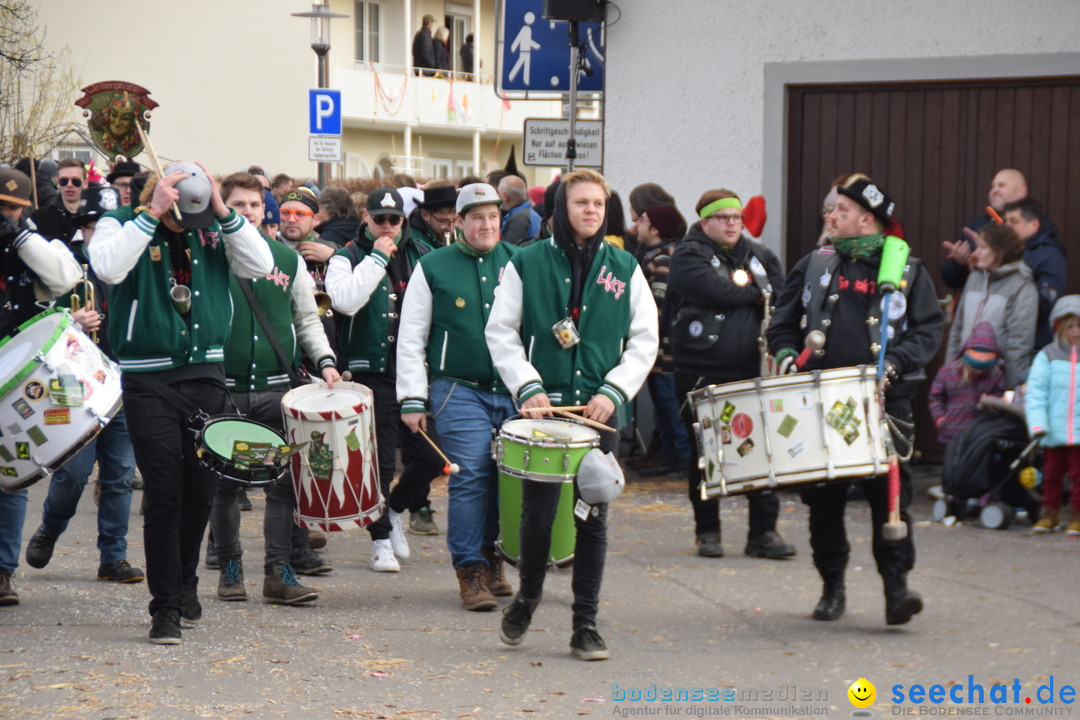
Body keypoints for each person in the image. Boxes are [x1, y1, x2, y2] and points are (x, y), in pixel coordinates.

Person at [88, 162, 274, 644]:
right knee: (165, 493)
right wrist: (151, 216)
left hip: (207, 375)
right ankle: (164, 606)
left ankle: (187, 580)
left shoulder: (212, 228)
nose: (186, 225)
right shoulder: (124, 222)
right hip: (149, 377)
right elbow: (107, 267)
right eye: (178, 214)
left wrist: (222, 212)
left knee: (200, 493)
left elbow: (259, 265)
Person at [486, 169, 659, 661]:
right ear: (562, 207)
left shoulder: (625, 267)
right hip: (545, 413)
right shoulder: (527, 262)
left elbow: (645, 340)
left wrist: (615, 390)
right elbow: (502, 330)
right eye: (581, 202)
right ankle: (527, 598)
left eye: (598, 204)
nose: (591, 211)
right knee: (538, 516)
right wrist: (528, 385)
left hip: (598, 414)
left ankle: (586, 624)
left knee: (593, 517)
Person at [767, 176, 944, 625]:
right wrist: (787, 355)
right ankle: (832, 588)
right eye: (832, 211)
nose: (831, 217)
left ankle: (896, 589)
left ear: (868, 220)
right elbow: (781, 326)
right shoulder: (813, 264)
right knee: (823, 502)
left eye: (841, 212)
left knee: (889, 499)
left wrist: (894, 364)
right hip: (820, 403)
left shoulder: (908, 269)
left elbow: (927, 331)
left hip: (885, 403)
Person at [207, 172, 340, 604]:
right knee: (226, 486)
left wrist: (325, 363)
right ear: (223, 206)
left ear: (265, 209)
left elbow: (305, 318)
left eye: (254, 205)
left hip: (278, 388)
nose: (247, 212)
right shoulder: (209, 255)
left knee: (283, 485)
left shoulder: (287, 258)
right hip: (225, 390)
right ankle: (230, 567)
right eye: (238, 204)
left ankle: (278, 572)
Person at [397, 183, 519, 610]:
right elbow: (411, 337)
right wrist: (412, 398)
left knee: (508, 479)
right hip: (457, 387)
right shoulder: (433, 267)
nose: (486, 225)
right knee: (470, 476)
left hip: (513, 389)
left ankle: (494, 556)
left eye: (493, 217)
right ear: (459, 222)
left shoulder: (519, 263)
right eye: (476, 217)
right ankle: (469, 570)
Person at [24, 186, 144, 585]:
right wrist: (70, 323)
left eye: (104, 226)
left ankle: (114, 555)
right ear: (82, 231)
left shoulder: (134, 267)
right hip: (76, 389)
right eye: (91, 227)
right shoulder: (64, 267)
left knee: (120, 475)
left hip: (123, 383)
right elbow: (35, 322)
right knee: (72, 474)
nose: (97, 233)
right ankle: (50, 529)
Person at [667, 189, 796, 560]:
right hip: (699, 371)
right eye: (722, 218)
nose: (731, 223)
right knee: (705, 452)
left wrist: (754, 291)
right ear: (705, 222)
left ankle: (763, 535)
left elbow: (781, 295)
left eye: (736, 217)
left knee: (762, 449)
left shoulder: (759, 255)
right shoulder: (689, 254)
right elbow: (713, 289)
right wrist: (756, 293)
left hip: (750, 369)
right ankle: (708, 532)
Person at [324, 187, 444, 572]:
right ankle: (379, 541)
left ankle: (393, 510)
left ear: (404, 220)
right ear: (365, 216)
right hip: (369, 371)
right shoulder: (348, 256)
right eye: (380, 219)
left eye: (394, 220)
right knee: (380, 463)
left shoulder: (424, 255)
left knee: (431, 457)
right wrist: (378, 255)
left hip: (415, 372)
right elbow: (346, 300)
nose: (388, 226)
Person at [0, 167, 82, 606]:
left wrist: (20, 235)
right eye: (1, 207)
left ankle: (2, 570)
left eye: (14, 208)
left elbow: (64, 278)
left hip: (13, 365)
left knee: (9, 471)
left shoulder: (29, 241)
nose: (7, 214)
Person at [633, 203, 690, 476]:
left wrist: (641, 331)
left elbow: (659, 305)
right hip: (655, 349)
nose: (637, 225)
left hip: (665, 349)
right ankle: (668, 455)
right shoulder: (652, 255)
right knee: (660, 403)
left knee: (670, 403)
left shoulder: (665, 258)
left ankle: (683, 457)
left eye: (642, 220)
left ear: (655, 229)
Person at [946, 223, 1038, 390]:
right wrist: (948, 372)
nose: (976, 252)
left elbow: (1019, 344)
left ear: (1000, 252)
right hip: (962, 376)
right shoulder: (974, 278)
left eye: (983, 247)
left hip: (995, 381)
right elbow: (957, 330)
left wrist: (1012, 389)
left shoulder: (1022, 287)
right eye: (977, 246)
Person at [1026, 296, 1080, 536]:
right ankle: (1049, 514)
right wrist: (1038, 424)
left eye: (1079, 326)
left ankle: (1077, 516)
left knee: (1079, 476)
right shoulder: (1047, 355)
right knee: (1051, 475)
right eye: (1071, 326)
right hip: (1054, 431)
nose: (1075, 332)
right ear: (1060, 327)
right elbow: (1036, 392)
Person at [940, 168, 1029, 291]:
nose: (994, 191)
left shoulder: (1034, 227)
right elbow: (950, 279)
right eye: (992, 187)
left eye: (1001, 185)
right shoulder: (976, 227)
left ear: (1021, 191)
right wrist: (958, 263)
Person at [1002, 198, 1067, 350]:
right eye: (1006, 221)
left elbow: (1045, 304)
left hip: (1034, 345)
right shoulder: (1013, 252)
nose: (1007, 226)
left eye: (1014, 221)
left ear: (1034, 225)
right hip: (1010, 341)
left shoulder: (1050, 256)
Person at [928, 321, 1006, 445]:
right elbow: (935, 396)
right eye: (974, 368)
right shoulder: (948, 371)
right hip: (950, 433)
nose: (978, 372)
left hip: (980, 435)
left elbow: (1000, 399)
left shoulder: (997, 376)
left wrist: (990, 403)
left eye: (983, 369)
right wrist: (940, 418)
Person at [30, 158, 86, 242]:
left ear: (85, 183)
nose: (69, 185)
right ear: (58, 183)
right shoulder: (39, 217)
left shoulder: (93, 217)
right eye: (64, 181)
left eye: (76, 181)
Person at [498, 175, 541, 247]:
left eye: (499, 193)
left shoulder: (518, 218)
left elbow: (510, 250)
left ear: (504, 196)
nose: (498, 197)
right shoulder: (530, 213)